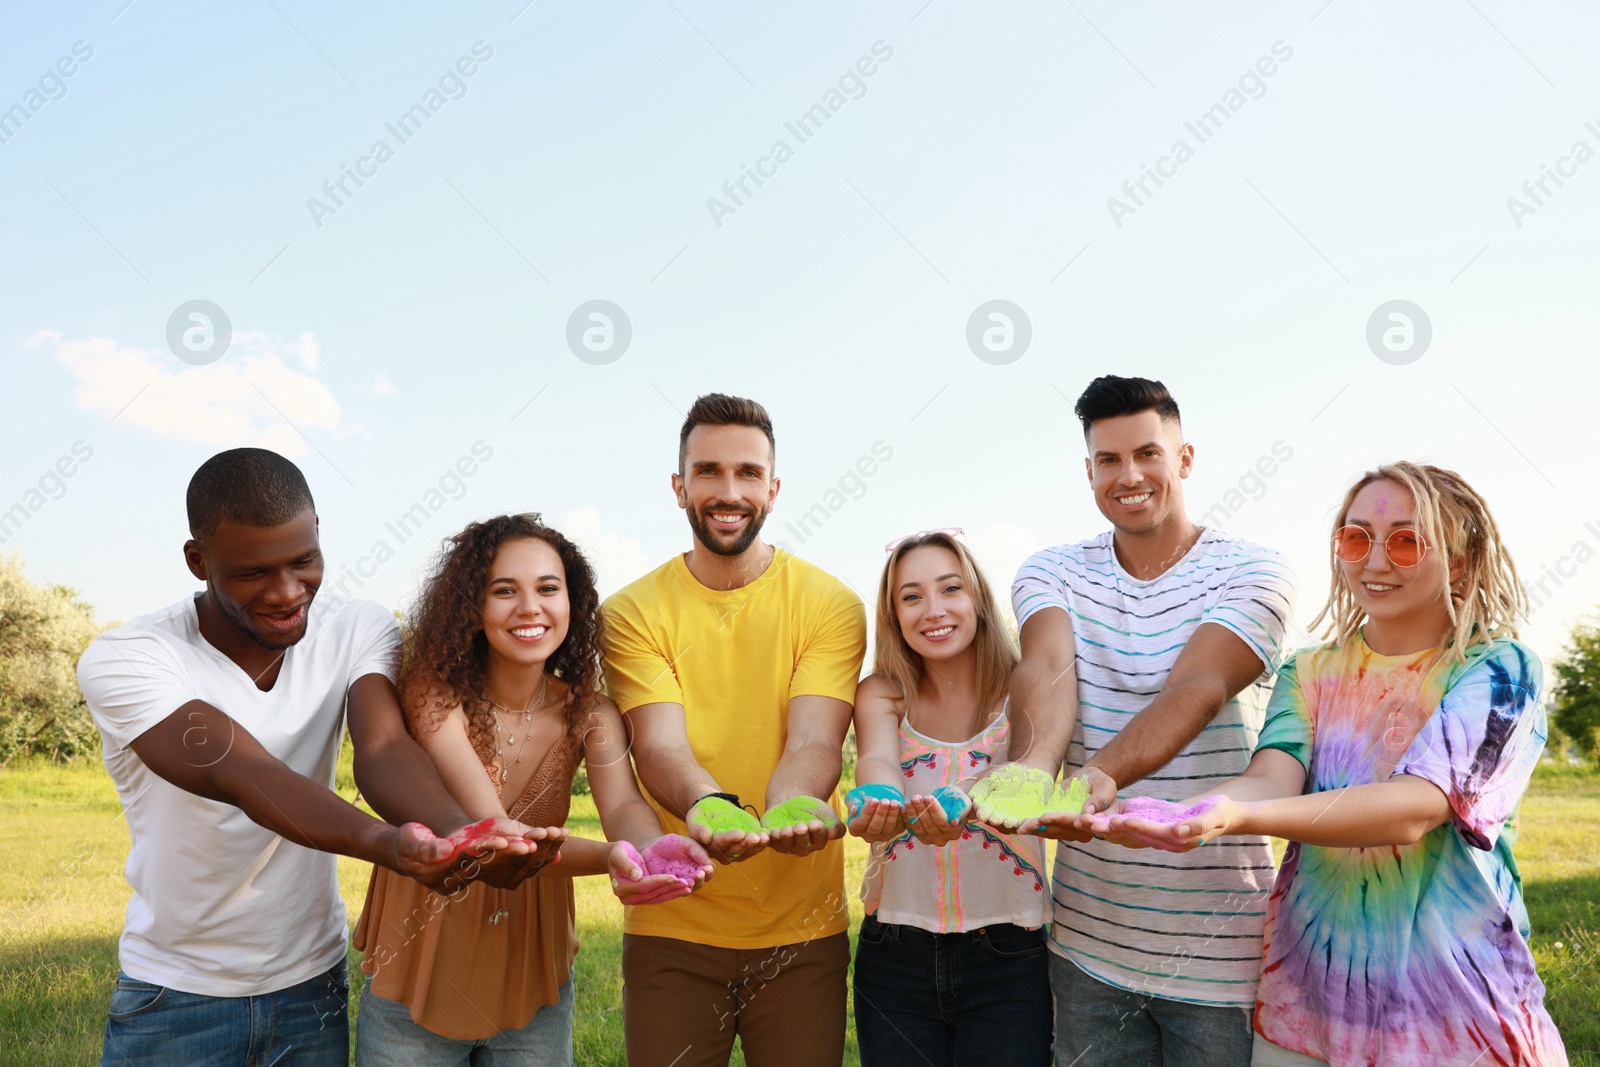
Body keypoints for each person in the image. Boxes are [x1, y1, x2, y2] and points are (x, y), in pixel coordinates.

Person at [76, 449, 542, 1067]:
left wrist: (462, 833)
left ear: (318, 530)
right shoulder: (131, 658)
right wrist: (385, 844)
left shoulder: (356, 627)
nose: (287, 591)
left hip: (311, 988)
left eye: (304, 561)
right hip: (176, 994)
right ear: (198, 561)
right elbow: (242, 772)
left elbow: (383, 747)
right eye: (253, 573)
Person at [1099, 463, 1570, 1066]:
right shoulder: (1308, 669)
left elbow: (1413, 808)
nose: (1375, 562)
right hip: (1306, 1006)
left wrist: (1232, 817)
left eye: (1407, 540)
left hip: (1455, 1009)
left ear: (1456, 560)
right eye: (1356, 538)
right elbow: (1272, 778)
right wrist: (1196, 810)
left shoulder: (1500, 670)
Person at [975, 375, 1297, 1066]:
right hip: (1089, 948)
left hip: (1223, 952)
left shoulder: (1255, 569)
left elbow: (1198, 687)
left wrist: (1095, 776)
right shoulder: (1051, 569)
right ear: (1088, 470)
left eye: (1147, 453)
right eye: (1108, 460)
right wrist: (1033, 770)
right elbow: (1048, 667)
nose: (1129, 475)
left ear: (1184, 458)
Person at [353, 513, 714, 1066]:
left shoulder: (591, 713)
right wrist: (610, 856)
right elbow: (494, 829)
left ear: (573, 601)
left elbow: (621, 804)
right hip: (419, 960)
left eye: (549, 588)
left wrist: (648, 849)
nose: (530, 607)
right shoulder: (431, 692)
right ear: (471, 608)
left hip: (532, 970)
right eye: (504, 591)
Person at [601, 393, 867, 1067]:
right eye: (709, 471)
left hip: (802, 932)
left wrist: (788, 807)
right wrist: (708, 804)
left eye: (748, 473)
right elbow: (660, 744)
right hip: (673, 922)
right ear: (679, 485)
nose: (729, 491)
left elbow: (814, 739)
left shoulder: (830, 603)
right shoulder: (632, 611)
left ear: (773, 489)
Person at [846, 529, 1052, 1065]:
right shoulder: (883, 692)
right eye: (911, 596)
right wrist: (880, 799)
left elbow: (1025, 773)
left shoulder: (1021, 689)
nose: (932, 610)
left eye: (950, 589)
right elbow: (876, 759)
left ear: (977, 599)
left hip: (1011, 954)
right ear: (893, 615)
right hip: (894, 953)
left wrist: (965, 795)